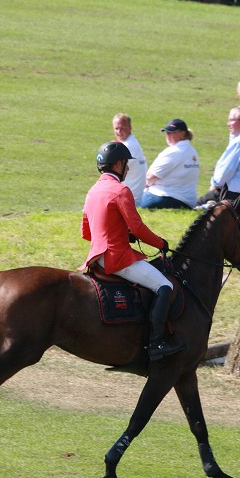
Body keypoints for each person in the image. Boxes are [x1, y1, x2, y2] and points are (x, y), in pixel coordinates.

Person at [80, 141, 186, 361]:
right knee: (165, 286)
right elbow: (137, 226)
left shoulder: (93, 190)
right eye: (126, 164)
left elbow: (87, 231)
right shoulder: (121, 190)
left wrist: (119, 233)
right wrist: (160, 244)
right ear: (118, 164)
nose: (127, 168)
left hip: (96, 258)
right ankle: (156, 344)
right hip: (117, 258)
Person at [141, 119, 200, 209]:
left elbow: (150, 177)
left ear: (182, 134)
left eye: (172, 132)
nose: (168, 135)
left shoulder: (173, 151)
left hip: (166, 197)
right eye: (167, 132)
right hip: (189, 201)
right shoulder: (193, 151)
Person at [112, 113, 148, 206]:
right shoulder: (131, 143)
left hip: (129, 201)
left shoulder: (129, 146)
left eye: (122, 128)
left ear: (130, 128)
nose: (119, 131)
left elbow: (110, 171)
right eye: (116, 128)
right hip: (131, 197)